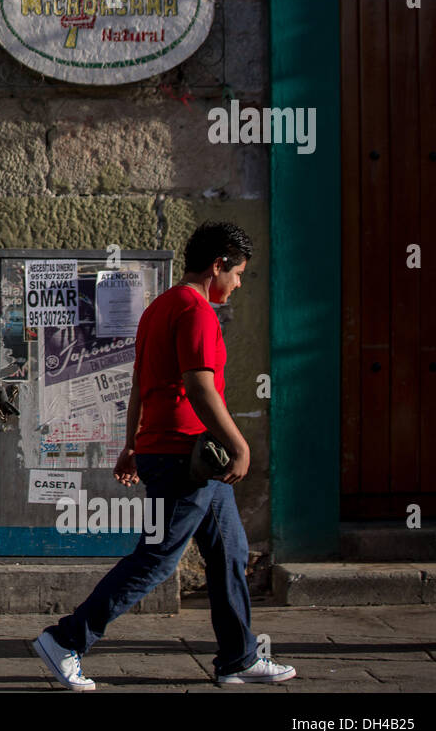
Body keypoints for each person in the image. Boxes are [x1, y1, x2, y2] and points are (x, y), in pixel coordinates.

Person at [33, 221, 296, 689]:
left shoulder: (160, 307)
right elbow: (198, 385)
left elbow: (139, 382)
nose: (237, 284)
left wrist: (132, 444)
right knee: (156, 559)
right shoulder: (196, 311)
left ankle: (238, 658)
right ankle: (66, 639)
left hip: (176, 453)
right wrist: (239, 443)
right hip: (183, 457)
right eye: (237, 274)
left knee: (230, 552)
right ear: (218, 264)